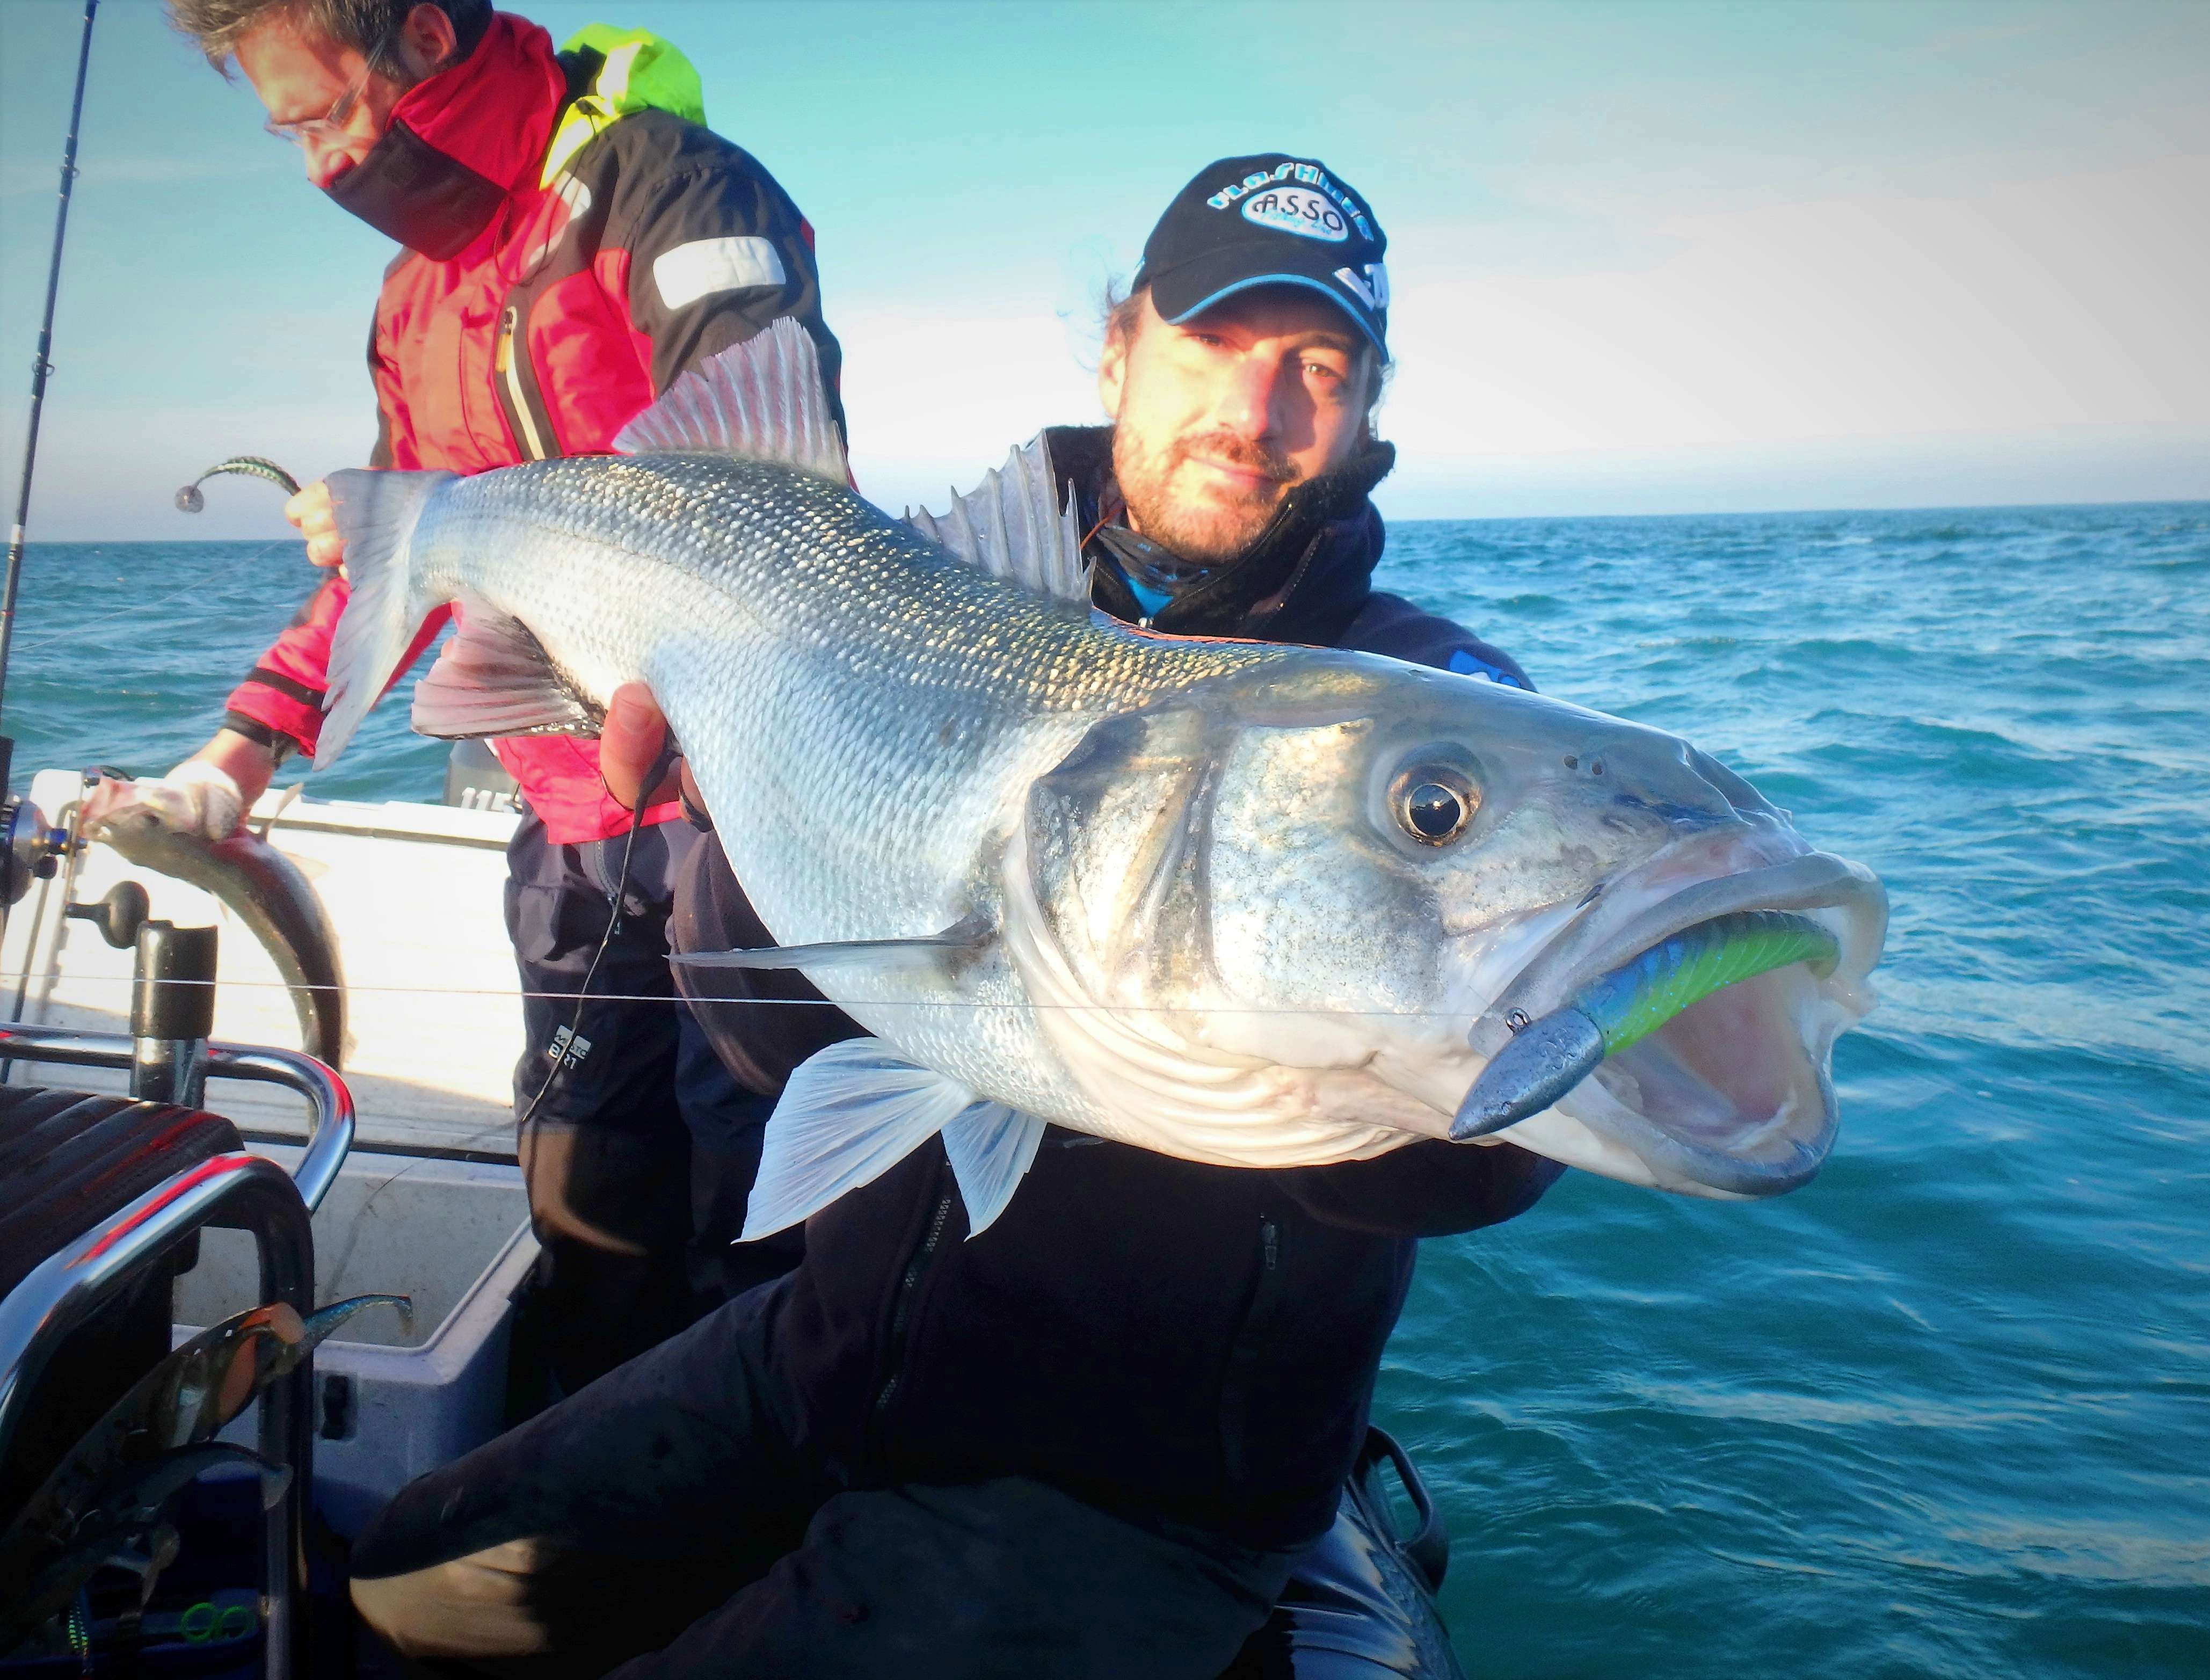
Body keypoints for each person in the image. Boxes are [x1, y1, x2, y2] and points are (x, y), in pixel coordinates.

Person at [348, 155, 1558, 1677]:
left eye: (1317, 367)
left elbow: (1480, 1159)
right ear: (1119, 342)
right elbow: (776, 1044)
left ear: (1371, 404)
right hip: (826, 1352)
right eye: (1212, 345)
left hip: (1128, 1489)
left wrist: (1491, 1037)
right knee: (403, 1581)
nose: (1255, 416)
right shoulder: (902, 587)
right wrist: (729, 805)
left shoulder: (1416, 700)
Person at [99, 0, 845, 1392]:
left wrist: (462, 521)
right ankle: (590, 1525)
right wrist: (236, 757)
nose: (314, 168)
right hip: (563, 827)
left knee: (756, 1200)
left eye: (320, 117)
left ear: (426, 40)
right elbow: (396, 568)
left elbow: (773, 488)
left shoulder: (663, 186)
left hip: (738, 813)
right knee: (582, 1188)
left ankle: (769, 1527)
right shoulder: (411, 300)